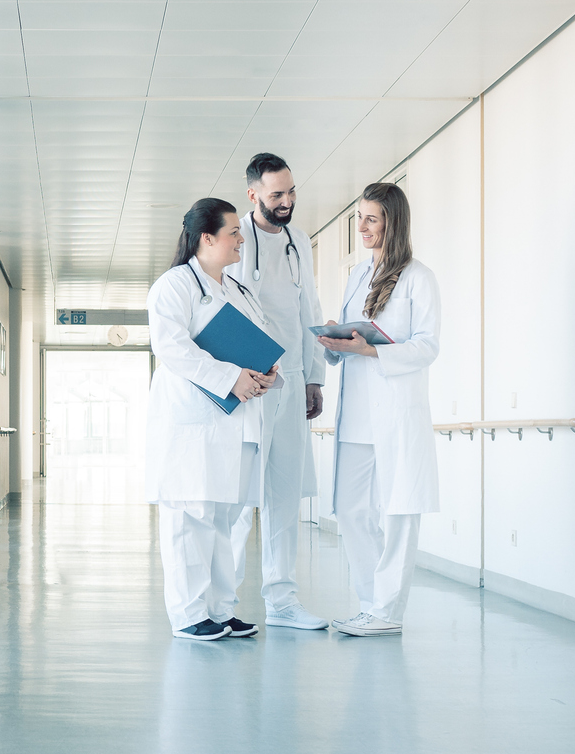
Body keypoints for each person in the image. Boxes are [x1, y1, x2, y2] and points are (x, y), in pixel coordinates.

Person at [147, 198, 281, 641]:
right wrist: (231, 378)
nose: (242, 239)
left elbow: (260, 342)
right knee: (191, 517)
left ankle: (221, 609)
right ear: (207, 238)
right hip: (195, 423)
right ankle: (188, 615)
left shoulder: (238, 290)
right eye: (234, 233)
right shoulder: (174, 286)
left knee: (225, 518)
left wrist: (266, 374)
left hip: (236, 420)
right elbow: (173, 350)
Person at [317, 183, 441, 637]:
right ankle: (371, 604)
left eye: (373, 218)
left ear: (393, 222)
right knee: (350, 509)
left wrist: (373, 353)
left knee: (398, 511)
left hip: (394, 411)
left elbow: (428, 346)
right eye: (360, 218)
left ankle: (388, 611)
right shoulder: (356, 275)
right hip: (357, 415)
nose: (363, 228)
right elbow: (352, 341)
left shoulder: (418, 277)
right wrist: (335, 341)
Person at [228, 153, 329, 630]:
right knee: (238, 494)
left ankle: (283, 601)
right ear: (253, 195)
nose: (286, 202)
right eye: (276, 195)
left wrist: (314, 376)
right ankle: (221, 603)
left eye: (291, 192)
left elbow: (308, 305)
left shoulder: (299, 241)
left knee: (285, 493)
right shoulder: (235, 239)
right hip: (251, 383)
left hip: (290, 378)